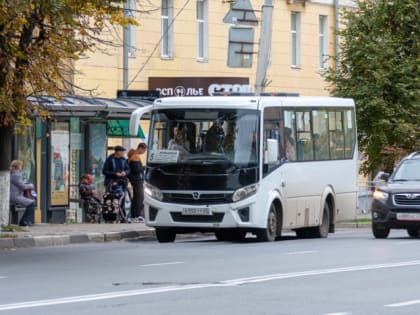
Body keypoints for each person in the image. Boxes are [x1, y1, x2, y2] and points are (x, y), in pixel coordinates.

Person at [102, 146, 130, 219]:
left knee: (121, 199)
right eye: (122, 151)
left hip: (121, 182)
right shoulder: (110, 160)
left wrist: (125, 172)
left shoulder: (123, 160)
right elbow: (104, 171)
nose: (123, 153)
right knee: (110, 200)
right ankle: (110, 216)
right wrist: (115, 174)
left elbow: (128, 170)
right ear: (117, 152)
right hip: (110, 183)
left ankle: (122, 216)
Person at [9, 160, 35, 226]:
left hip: (12, 195)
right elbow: (23, 186)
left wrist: (26, 184)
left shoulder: (11, 173)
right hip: (15, 196)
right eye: (21, 165)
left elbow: (19, 184)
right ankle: (24, 221)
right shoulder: (16, 175)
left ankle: (22, 221)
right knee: (31, 204)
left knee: (30, 203)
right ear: (18, 166)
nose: (21, 167)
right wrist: (31, 185)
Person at [127, 142, 147, 223]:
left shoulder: (133, 155)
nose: (144, 152)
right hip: (137, 180)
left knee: (136, 198)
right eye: (144, 150)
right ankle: (137, 216)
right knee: (139, 198)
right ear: (140, 148)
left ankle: (134, 216)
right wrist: (143, 167)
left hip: (136, 180)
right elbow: (136, 169)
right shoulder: (135, 157)